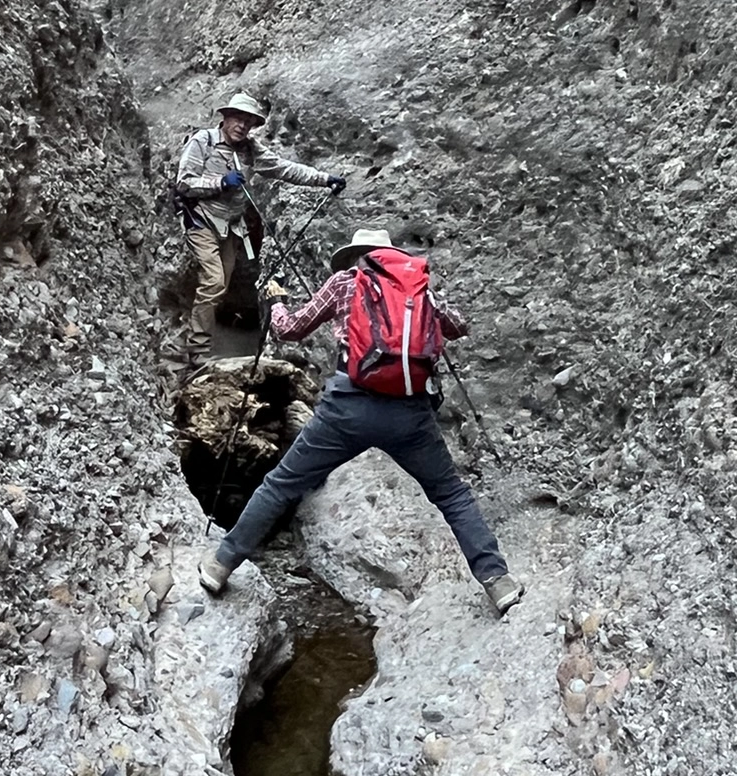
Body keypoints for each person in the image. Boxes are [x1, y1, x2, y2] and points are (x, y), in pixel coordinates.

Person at [197, 227, 524, 617]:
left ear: (357, 255)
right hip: (409, 413)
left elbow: (289, 330)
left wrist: (278, 301)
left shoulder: (343, 282)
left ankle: (221, 564)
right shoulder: (417, 287)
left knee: (282, 484)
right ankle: (497, 580)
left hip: (346, 407)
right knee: (451, 496)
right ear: (388, 255)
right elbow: (458, 325)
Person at [175, 91, 345, 378]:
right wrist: (220, 182)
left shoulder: (251, 150)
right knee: (214, 282)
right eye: (238, 119)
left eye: (249, 121)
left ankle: (202, 345)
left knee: (221, 285)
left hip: (231, 227)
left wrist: (324, 179)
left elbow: (284, 169)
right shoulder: (202, 141)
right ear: (225, 118)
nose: (242, 126)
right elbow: (184, 183)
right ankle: (198, 353)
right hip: (201, 220)